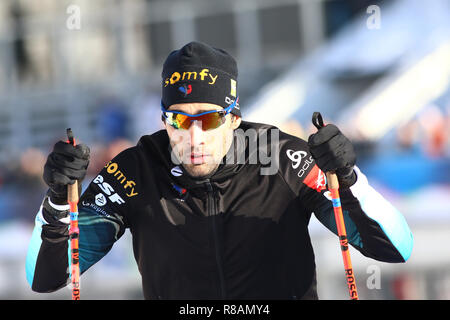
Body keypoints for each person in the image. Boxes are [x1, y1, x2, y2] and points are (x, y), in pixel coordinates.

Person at [25, 41, 413, 299]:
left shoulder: (281, 158)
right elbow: (46, 277)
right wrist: (59, 200)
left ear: (234, 118)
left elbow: (394, 248)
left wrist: (349, 180)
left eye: (208, 120)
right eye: (179, 121)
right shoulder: (137, 170)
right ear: (163, 120)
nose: (194, 137)